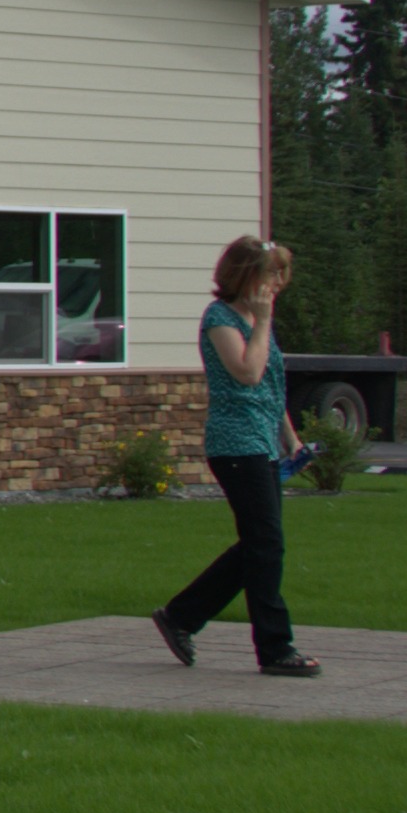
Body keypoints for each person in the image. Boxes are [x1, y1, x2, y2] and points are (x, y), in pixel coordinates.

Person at [155, 235, 319, 678]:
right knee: (267, 545)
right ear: (244, 275)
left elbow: (270, 385)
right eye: (272, 274)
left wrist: (291, 438)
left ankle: (181, 617)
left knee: (259, 546)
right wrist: (263, 324)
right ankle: (275, 647)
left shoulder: (253, 317)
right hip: (235, 446)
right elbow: (246, 373)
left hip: (263, 443)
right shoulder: (221, 318)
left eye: (282, 274)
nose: (278, 283)